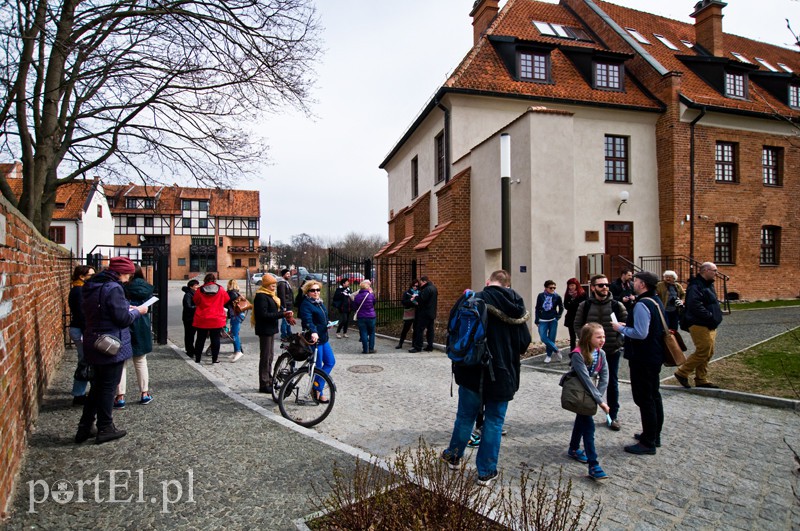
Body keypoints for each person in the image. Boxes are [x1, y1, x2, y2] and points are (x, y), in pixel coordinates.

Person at [441, 270, 532, 487]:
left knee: (465, 417)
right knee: (493, 423)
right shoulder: (517, 307)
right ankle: (486, 472)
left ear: (488, 282)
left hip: (471, 370)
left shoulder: (473, 300)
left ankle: (453, 457)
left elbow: (454, 331)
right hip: (503, 374)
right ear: (507, 286)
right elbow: (524, 343)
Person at [75, 256, 147, 444]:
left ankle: (85, 427)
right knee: (107, 387)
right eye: (128, 275)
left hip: (94, 338)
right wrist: (136, 312)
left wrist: (125, 307)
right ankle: (105, 427)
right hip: (111, 343)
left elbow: (102, 310)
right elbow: (122, 319)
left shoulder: (92, 286)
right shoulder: (114, 288)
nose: (128, 279)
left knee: (97, 386)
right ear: (122, 272)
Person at [611, 271, 666, 455]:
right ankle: (653, 435)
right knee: (654, 395)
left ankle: (648, 442)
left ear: (642, 284)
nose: (633, 283)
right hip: (654, 356)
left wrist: (621, 328)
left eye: (636, 280)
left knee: (645, 399)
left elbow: (641, 333)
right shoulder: (656, 301)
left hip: (643, 357)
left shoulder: (643, 304)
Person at [573, 274, 627, 431]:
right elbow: (577, 325)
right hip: (590, 352)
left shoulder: (617, 305)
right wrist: (585, 343)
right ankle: (585, 412)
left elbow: (626, 327)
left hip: (611, 350)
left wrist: (618, 342)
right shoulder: (585, 305)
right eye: (601, 285)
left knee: (612, 383)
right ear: (593, 287)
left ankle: (612, 416)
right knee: (585, 382)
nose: (605, 288)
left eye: (606, 285)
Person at [566, 322, 610, 481]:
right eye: (598, 337)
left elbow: (605, 376)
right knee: (588, 427)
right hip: (579, 392)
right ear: (587, 338)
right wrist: (599, 401)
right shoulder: (578, 355)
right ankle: (594, 464)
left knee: (582, 420)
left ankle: (573, 449)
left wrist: (599, 396)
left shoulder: (602, 353)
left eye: (603, 336)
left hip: (591, 394)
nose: (602, 339)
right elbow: (585, 379)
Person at [674, 262, 723, 389]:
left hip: (710, 324)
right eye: (714, 270)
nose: (716, 273)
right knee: (703, 351)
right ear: (705, 270)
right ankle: (682, 372)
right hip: (699, 323)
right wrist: (710, 316)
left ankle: (701, 379)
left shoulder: (708, 284)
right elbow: (695, 305)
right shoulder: (696, 286)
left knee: (709, 352)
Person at [115, 266, 154, 408]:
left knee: (122, 362)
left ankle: (120, 396)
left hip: (125, 323)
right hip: (142, 323)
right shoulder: (147, 287)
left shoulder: (122, 287)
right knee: (141, 361)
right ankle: (144, 393)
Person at [298, 281, 335, 402]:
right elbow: (307, 320)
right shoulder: (306, 304)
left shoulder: (319, 303)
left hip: (323, 338)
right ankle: (319, 392)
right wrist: (313, 331)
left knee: (330, 362)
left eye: (317, 290)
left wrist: (328, 323)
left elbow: (323, 316)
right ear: (307, 292)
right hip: (313, 339)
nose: (316, 292)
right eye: (313, 290)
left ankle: (316, 387)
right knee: (318, 366)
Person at [252, 274, 286, 393]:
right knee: (265, 356)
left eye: (275, 285)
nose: (274, 287)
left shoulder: (270, 295)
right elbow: (263, 315)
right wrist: (281, 314)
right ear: (266, 285)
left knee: (270, 356)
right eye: (272, 285)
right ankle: (264, 382)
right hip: (265, 329)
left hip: (270, 329)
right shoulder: (261, 296)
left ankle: (269, 379)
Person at [68, 265, 95, 406]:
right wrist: (88, 332)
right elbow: (81, 314)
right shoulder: (78, 291)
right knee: (84, 363)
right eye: (91, 275)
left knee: (84, 361)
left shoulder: (78, 289)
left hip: (79, 329)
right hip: (81, 329)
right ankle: (78, 395)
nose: (93, 277)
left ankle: (80, 392)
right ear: (82, 276)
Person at [193, 273, 231, 364]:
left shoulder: (199, 290)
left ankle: (198, 358)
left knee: (200, 339)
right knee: (215, 339)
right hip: (216, 318)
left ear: (205, 280)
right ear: (215, 280)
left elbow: (195, 301)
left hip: (202, 318)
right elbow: (227, 299)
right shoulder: (221, 289)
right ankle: (215, 358)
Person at [535, 280, 563, 363]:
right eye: (551, 288)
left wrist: (558, 317)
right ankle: (557, 350)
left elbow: (561, 307)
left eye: (554, 288)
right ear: (546, 288)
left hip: (553, 320)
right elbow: (537, 308)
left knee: (551, 338)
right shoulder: (540, 296)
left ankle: (549, 355)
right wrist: (537, 319)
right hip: (542, 319)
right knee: (543, 338)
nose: (553, 289)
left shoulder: (557, 296)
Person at [409, 276, 438, 353]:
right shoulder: (434, 288)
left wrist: (416, 297)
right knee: (430, 330)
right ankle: (430, 346)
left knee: (419, 329)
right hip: (432, 312)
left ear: (424, 282)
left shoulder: (427, 289)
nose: (420, 285)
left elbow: (422, 299)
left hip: (425, 313)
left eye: (421, 283)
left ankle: (418, 347)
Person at [352, 280, 377, 354]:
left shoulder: (357, 296)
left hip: (361, 317)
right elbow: (374, 303)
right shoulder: (371, 295)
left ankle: (365, 349)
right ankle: (371, 349)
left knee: (363, 332)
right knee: (372, 332)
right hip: (371, 316)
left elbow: (354, 306)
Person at [562, 278, 587, 351]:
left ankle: (584, 351)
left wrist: (572, 303)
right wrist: (574, 304)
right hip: (570, 318)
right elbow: (566, 306)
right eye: (569, 285)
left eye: (572, 285)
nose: (571, 287)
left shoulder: (582, 294)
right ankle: (572, 352)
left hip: (580, 317)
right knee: (572, 337)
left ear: (576, 285)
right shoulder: (567, 295)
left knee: (582, 336)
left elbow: (583, 305)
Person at [226, 279, 246, 362]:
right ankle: (235, 351)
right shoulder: (237, 292)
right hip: (239, 315)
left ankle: (238, 351)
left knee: (234, 334)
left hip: (235, 315)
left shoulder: (230, 293)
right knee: (234, 333)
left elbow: (226, 304)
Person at [396, 280, 419, 349]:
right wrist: (410, 300)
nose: (415, 287)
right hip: (409, 312)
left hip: (417, 312)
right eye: (414, 286)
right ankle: (400, 343)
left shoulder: (420, 293)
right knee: (405, 328)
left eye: (417, 286)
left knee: (416, 329)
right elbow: (403, 302)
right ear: (411, 286)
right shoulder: (407, 293)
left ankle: (414, 344)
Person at [182, 279, 200, 358]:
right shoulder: (188, 295)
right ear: (191, 286)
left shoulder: (195, 293)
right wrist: (198, 307)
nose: (197, 286)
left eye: (197, 284)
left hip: (195, 317)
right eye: (196, 285)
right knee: (189, 335)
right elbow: (188, 306)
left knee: (194, 334)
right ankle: (189, 350)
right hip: (189, 318)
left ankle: (193, 350)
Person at [277, 269, 294, 341]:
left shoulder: (286, 283)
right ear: (283, 274)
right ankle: (283, 335)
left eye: (289, 274)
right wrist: (284, 307)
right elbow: (282, 296)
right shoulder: (282, 283)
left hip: (288, 304)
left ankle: (289, 333)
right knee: (285, 320)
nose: (289, 275)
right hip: (285, 305)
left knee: (289, 320)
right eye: (287, 274)